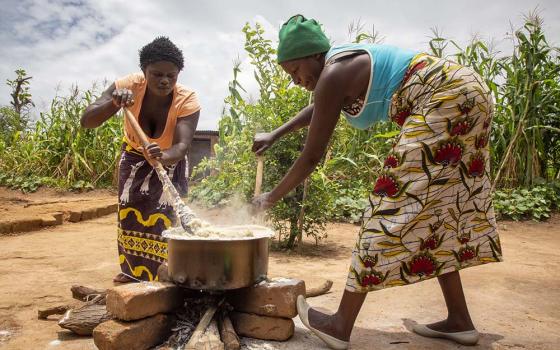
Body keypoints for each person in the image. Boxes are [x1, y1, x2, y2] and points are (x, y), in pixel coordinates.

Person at [252, 15, 502, 349]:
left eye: (296, 71)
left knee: (388, 205)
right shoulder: (336, 70)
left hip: (446, 98)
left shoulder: (334, 73)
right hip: (467, 94)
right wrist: (277, 133)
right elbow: (320, 107)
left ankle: (339, 324)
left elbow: (311, 157)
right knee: (439, 212)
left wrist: (271, 197)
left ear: (315, 56)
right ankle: (459, 320)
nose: (296, 81)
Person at [81, 37, 200, 283]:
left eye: (172, 76)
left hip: (170, 161)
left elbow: (181, 146)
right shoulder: (128, 86)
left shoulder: (187, 100)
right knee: (131, 215)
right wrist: (114, 102)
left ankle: (167, 276)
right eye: (157, 74)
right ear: (144, 71)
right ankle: (133, 275)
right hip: (134, 159)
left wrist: (163, 156)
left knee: (166, 219)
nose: (165, 80)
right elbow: (87, 121)